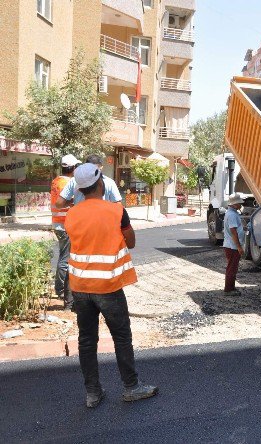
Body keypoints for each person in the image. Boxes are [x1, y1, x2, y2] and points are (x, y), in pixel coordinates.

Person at [64, 163, 157, 408]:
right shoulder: (116, 211)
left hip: (80, 287)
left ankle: (93, 393)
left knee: (86, 340)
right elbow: (132, 241)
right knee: (122, 337)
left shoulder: (72, 214)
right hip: (108, 286)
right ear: (101, 183)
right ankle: (131, 387)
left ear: (81, 190)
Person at [50, 154, 81, 310]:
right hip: (65, 224)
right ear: (72, 168)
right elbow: (63, 202)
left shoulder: (56, 180)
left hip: (58, 223)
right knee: (66, 259)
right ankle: (61, 290)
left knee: (63, 256)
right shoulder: (67, 183)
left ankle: (58, 288)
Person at [55, 154, 122, 209]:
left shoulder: (74, 180)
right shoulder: (109, 182)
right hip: (102, 222)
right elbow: (118, 206)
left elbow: (59, 204)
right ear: (101, 167)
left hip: (79, 220)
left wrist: (73, 201)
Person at [223, 193, 245, 296]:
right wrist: (239, 247)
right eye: (239, 203)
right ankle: (228, 290)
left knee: (233, 267)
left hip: (231, 245)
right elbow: (233, 232)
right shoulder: (232, 215)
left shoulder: (231, 213)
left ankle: (231, 288)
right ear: (235, 204)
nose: (241, 205)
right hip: (232, 246)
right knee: (232, 268)